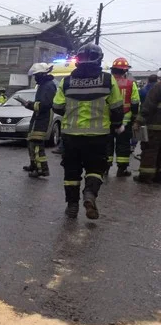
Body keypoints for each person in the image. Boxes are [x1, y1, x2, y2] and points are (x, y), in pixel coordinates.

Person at [52, 43, 124, 219]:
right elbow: (116, 107)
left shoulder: (67, 81)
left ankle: (72, 206)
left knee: (71, 172)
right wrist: (116, 125)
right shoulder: (107, 79)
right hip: (98, 136)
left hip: (70, 136)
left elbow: (57, 107)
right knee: (96, 168)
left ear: (78, 59)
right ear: (99, 59)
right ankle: (90, 194)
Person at [106, 58, 140, 177]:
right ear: (125, 71)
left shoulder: (107, 82)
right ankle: (122, 169)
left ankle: (105, 167)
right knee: (124, 144)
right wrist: (135, 117)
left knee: (107, 143)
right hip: (125, 120)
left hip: (108, 119)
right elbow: (135, 102)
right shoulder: (131, 84)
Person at [22, 63, 57, 178]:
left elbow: (44, 105)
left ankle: (42, 169)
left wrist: (29, 104)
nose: (35, 78)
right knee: (31, 143)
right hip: (38, 118)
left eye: (36, 75)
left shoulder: (48, 86)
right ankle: (34, 165)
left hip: (43, 119)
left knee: (36, 145)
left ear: (42, 74)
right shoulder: (44, 85)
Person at [133, 80, 161, 183]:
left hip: (156, 127)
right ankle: (158, 176)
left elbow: (148, 106)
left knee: (150, 151)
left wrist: (138, 121)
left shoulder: (158, 88)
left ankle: (146, 176)